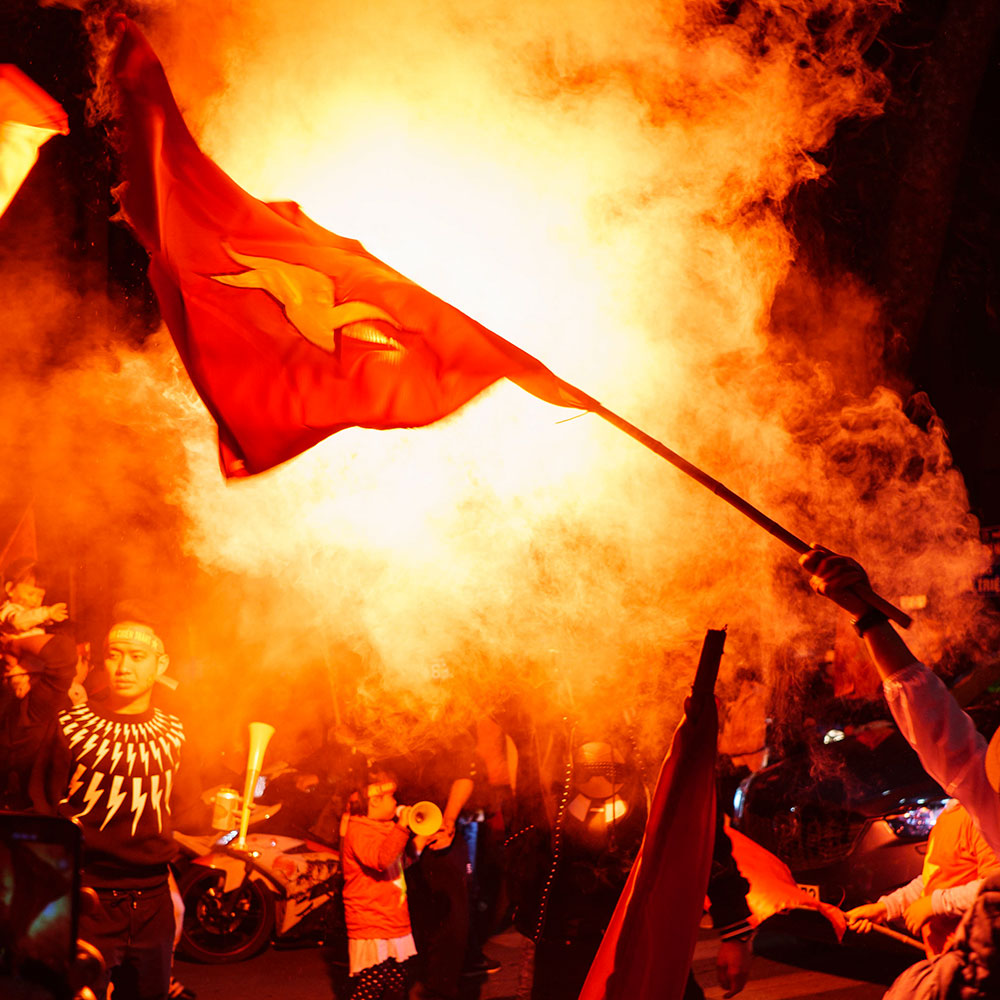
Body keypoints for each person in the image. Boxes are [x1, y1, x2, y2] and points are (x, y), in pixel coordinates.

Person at [29, 613, 204, 1000]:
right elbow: (43, 810)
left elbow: (184, 808)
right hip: (87, 899)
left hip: (154, 902)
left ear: (161, 664)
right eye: (114, 655)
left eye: (138, 656)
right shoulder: (70, 726)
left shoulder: (176, 734)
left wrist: (221, 813)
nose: (123, 667)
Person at [846, 798, 1000, 956]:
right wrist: (884, 908)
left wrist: (935, 903)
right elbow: (931, 878)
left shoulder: (983, 818)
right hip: (945, 958)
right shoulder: (949, 816)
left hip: (973, 961)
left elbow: (994, 890)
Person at [0, 559, 77, 810]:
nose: (36, 599)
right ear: (10, 589)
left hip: (37, 672)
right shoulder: (8, 612)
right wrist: (46, 613)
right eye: (31, 592)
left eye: (40, 596)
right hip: (20, 675)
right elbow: (21, 623)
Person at [341, 770, 419, 1000]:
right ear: (374, 801)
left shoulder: (385, 827)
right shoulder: (359, 830)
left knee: (395, 988)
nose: (396, 803)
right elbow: (381, 860)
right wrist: (403, 826)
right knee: (371, 988)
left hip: (392, 921)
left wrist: (422, 839)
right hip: (371, 924)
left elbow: (398, 863)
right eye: (392, 797)